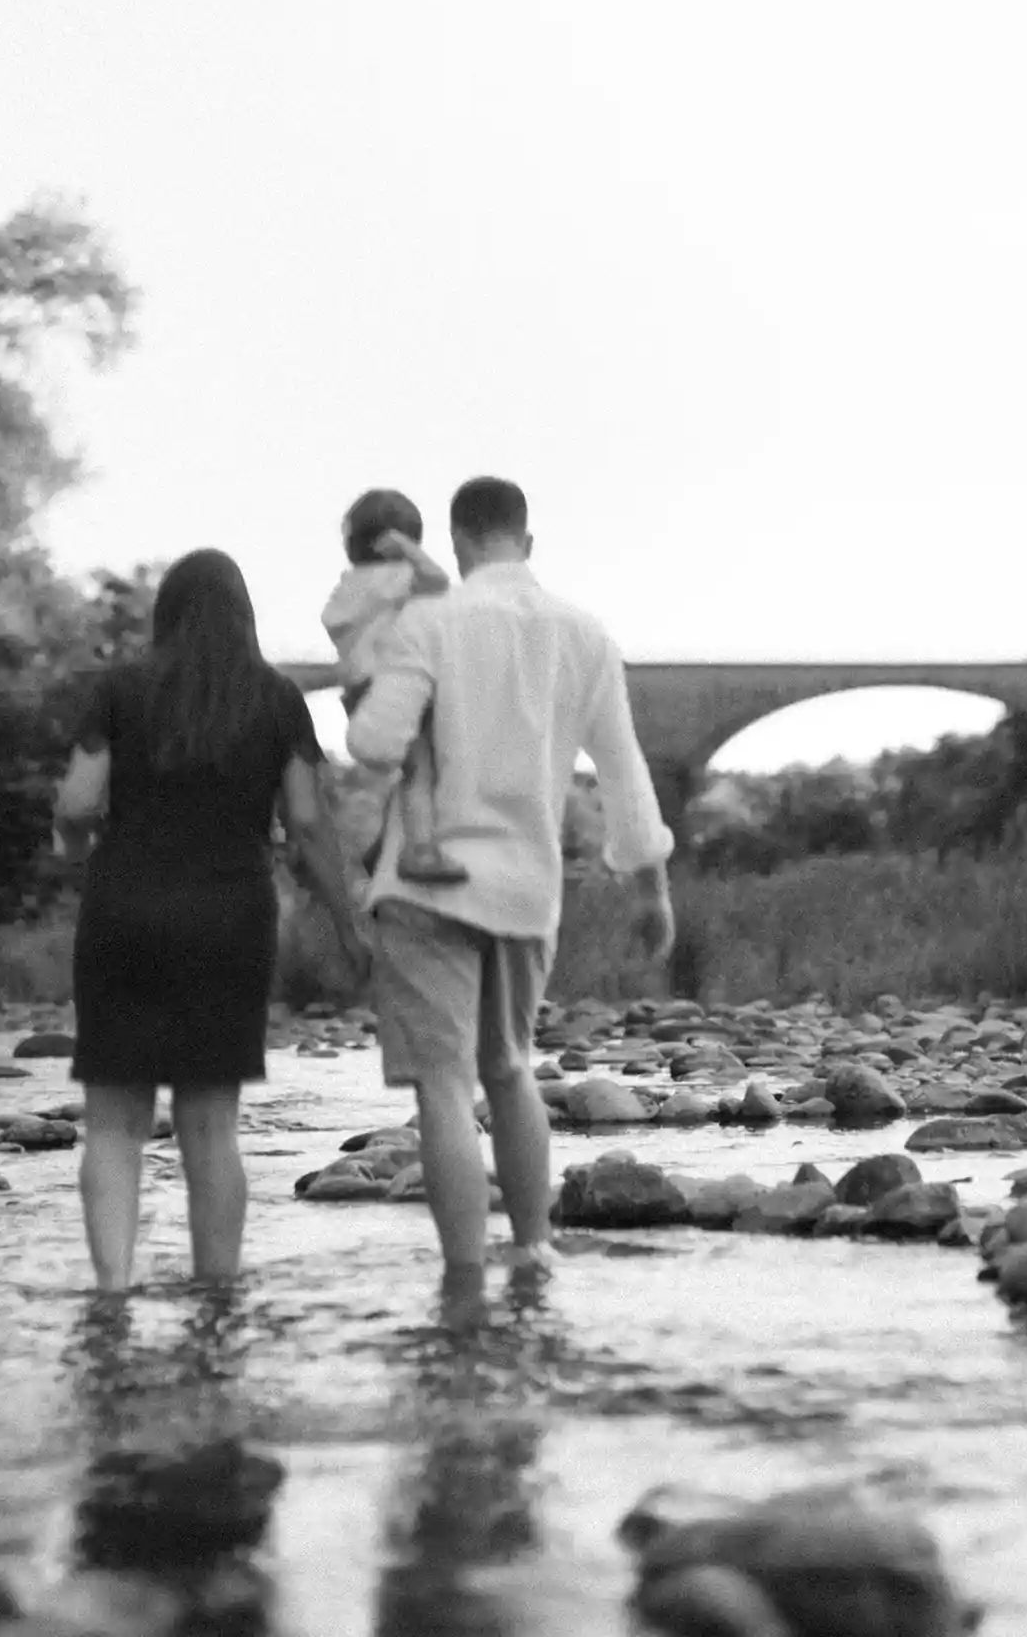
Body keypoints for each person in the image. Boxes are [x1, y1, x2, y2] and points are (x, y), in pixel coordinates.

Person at [346, 476, 677, 1305]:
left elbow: (374, 741)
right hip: (528, 890)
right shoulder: (585, 634)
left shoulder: (431, 621)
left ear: (457, 543)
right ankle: (533, 1257)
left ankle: (463, 1282)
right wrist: (650, 884)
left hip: (427, 893)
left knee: (445, 1086)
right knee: (511, 1068)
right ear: (526, 543)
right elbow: (624, 769)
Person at [53, 548, 369, 1293]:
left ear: (165, 615)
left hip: (124, 909)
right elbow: (307, 824)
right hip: (229, 917)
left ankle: (111, 1294)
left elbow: (75, 803)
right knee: (210, 1126)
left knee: (114, 1122)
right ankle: (218, 1296)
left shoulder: (118, 692)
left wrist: (71, 848)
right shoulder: (275, 699)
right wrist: (350, 921)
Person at [321, 488, 467, 886]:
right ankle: (419, 851)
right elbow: (439, 582)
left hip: (355, 691)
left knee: (404, 773)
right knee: (422, 767)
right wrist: (407, 551)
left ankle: (382, 844)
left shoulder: (347, 587)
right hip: (388, 686)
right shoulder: (396, 577)